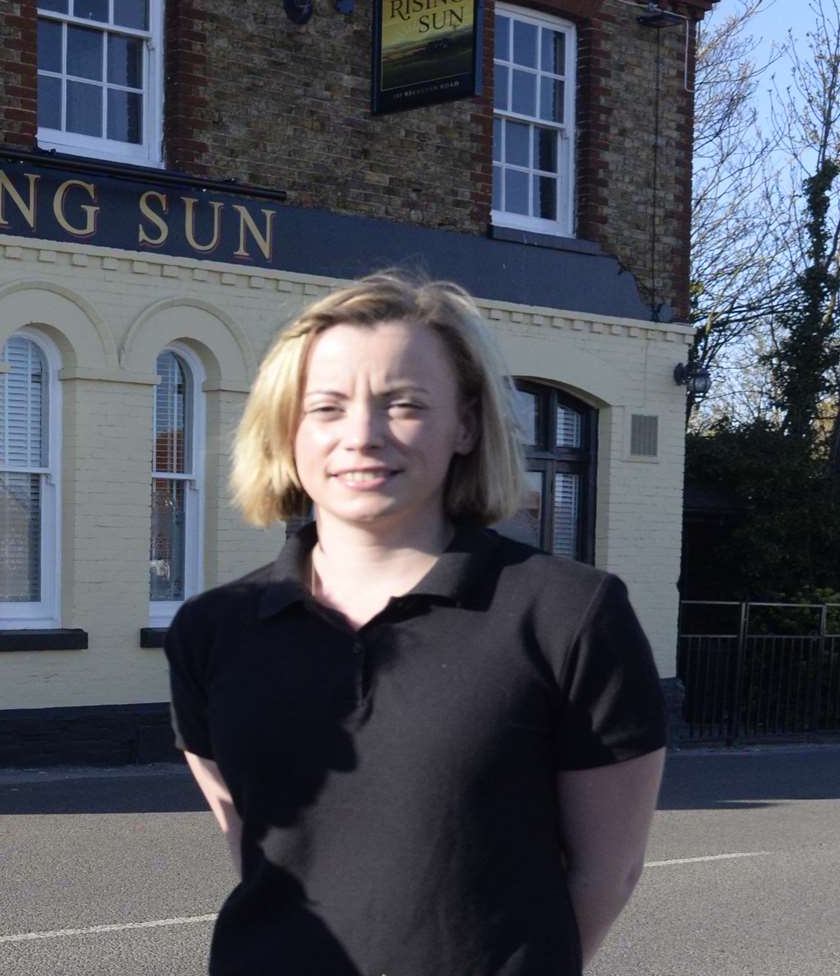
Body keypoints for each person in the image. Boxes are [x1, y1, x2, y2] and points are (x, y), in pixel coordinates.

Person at [165, 272, 667, 975]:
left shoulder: (569, 616)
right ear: (287, 429)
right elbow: (256, 848)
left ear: (464, 424)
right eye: (328, 408)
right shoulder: (211, 630)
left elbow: (607, 873)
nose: (362, 436)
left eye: (403, 404)